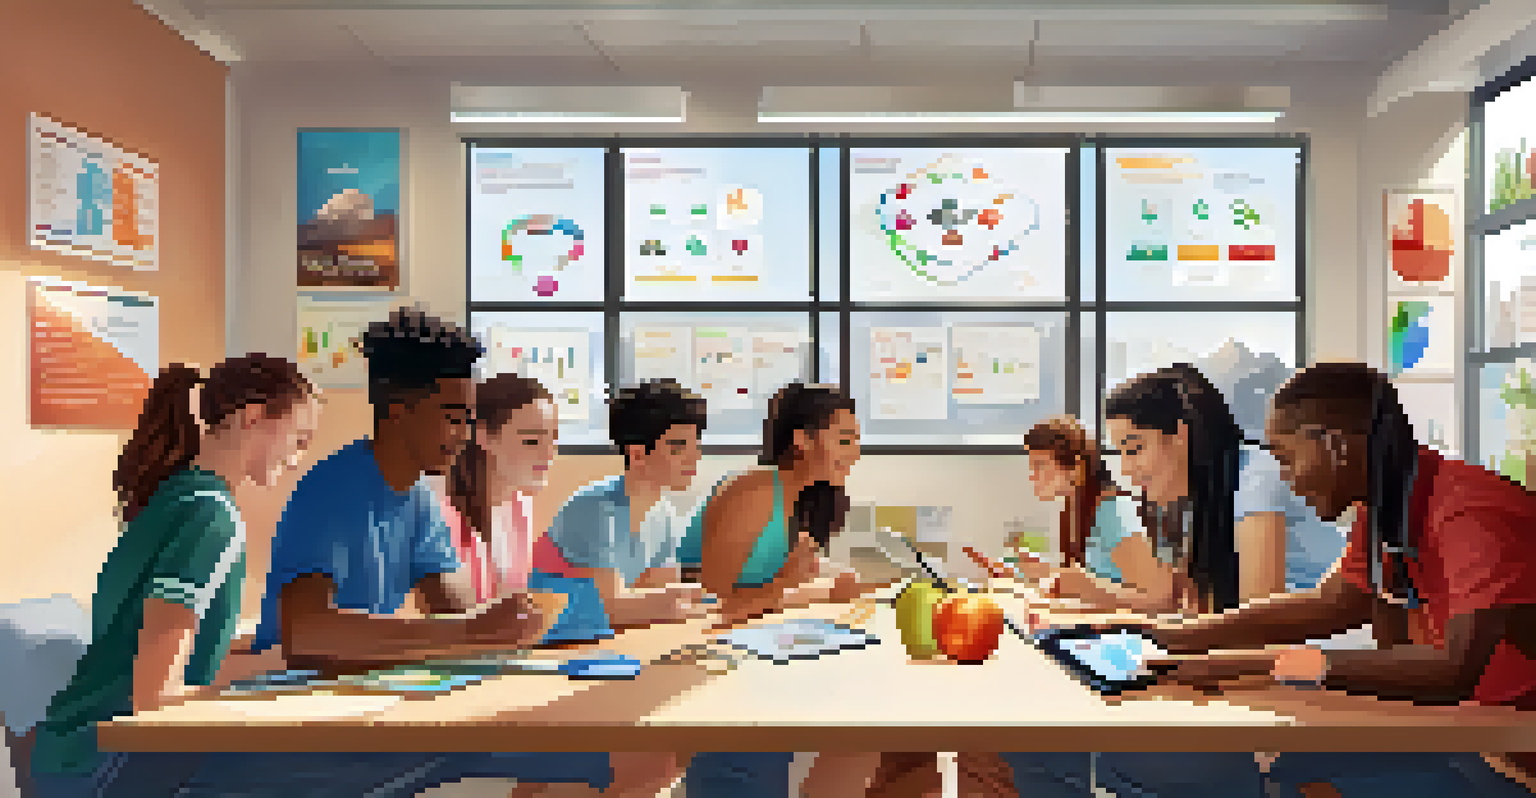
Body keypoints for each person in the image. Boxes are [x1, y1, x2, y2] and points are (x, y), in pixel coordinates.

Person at [235, 307, 677, 797]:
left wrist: (517, 619)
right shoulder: (333, 489)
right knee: (614, 760)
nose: (465, 435)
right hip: (308, 722)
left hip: (382, 702)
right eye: (452, 417)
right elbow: (306, 634)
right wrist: (472, 630)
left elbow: (457, 604)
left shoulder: (421, 496)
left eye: (468, 418)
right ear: (399, 410)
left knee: (650, 753)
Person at [1127, 362, 1536, 797]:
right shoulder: (1387, 506)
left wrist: (1262, 665)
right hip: (1460, 735)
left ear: (1334, 445)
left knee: (1263, 775)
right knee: (1263, 765)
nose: (1286, 479)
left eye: (1286, 459)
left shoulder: (1468, 511)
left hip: (1509, 761)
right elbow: (1334, 603)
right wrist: (1181, 636)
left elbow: (1455, 670)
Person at [30, 355, 322, 798]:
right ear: (254, 417)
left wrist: (270, 656)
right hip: (104, 765)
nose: (298, 459)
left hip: (74, 758)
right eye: (299, 440)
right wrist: (282, 666)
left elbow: (171, 658)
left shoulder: (180, 495)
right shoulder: (212, 519)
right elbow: (156, 697)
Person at [996, 364, 1284, 798]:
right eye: (1121, 454)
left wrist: (1153, 651)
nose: (1128, 470)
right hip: (1242, 693)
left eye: (1135, 449)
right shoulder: (1197, 502)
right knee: (1033, 747)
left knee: (1048, 753)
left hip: (1291, 704)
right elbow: (1193, 613)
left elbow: (1257, 629)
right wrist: (1122, 637)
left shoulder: (1253, 478)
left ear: (1181, 436)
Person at [676, 383, 888, 798]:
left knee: (870, 731)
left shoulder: (800, 498)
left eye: (857, 440)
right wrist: (789, 583)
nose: (855, 453)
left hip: (752, 640)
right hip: (708, 656)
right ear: (802, 440)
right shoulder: (755, 490)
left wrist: (824, 583)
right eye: (844, 439)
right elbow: (710, 609)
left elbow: (764, 586)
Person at [532, 379, 706, 626]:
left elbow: (659, 594)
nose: (694, 457)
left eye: (696, 444)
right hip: (551, 642)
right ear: (636, 454)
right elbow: (609, 609)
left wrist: (678, 600)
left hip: (600, 639)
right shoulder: (595, 510)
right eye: (678, 446)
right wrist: (676, 599)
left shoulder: (663, 512)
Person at [436, 372, 558, 607]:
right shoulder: (441, 513)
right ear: (483, 437)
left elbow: (512, 604)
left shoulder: (519, 505)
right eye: (532, 441)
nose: (549, 454)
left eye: (553, 440)